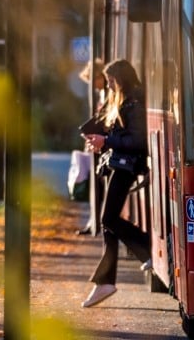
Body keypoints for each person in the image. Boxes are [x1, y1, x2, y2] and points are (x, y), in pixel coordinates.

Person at [79, 59, 152, 309]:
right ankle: (105, 282)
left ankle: (146, 250)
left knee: (108, 219)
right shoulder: (123, 100)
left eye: (111, 81)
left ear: (121, 79)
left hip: (127, 164)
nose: (108, 86)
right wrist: (97, 135)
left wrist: (106, 141)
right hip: (119, 163)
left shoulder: (134, 102)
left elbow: (137, 140)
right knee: (109, 225)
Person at [76, 58, 106, 235]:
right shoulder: (103, 94)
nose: (94, 86)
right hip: (97, 143)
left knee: (99, 186)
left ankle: (96, 220)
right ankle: (94, 219)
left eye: (93, 81)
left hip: (102, 144)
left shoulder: (107, 93)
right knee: (96, 185)